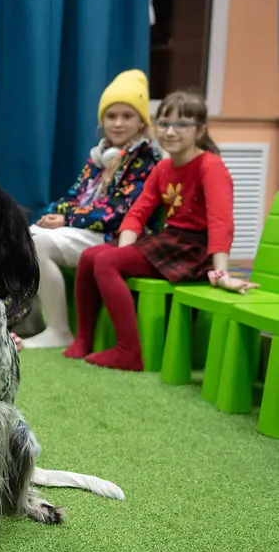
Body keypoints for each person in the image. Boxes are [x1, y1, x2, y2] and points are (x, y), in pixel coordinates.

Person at [63, 89, 257, 371]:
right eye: (164, 124)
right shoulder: (163, 167)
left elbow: (221, 222)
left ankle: (129, 352)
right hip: (169, 240)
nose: (170, 131)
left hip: (194, 250)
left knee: (105, 260)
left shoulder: (210, 166)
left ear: (200, 130)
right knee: (92, 256)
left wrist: (221, 272)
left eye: (181, 125)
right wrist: (124, 250)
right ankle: (84, 338)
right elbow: (137, 213)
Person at [23, 69, 163, 348]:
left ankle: (59, 330)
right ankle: (29, 318)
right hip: (86, 231)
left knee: (37, 242)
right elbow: (74, 195)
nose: (118, 123)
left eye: (127, 116)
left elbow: (119, 213)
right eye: (111, 116)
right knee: (28, 233)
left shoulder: (145, 160)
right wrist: (53, 213)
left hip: (119, 238)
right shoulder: (98, 157)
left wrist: (67, 218)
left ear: (141, 122)